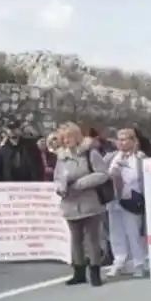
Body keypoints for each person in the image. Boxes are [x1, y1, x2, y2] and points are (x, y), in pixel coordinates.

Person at [54, 122, 110, 286]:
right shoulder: (61, 157)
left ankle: (95, 271)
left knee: (92, 239)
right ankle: (78, 271)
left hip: (89, 201)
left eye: (68, 137)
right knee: (75, 239)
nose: (65, 140)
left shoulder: (89, 153)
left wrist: (81, 183)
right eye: (62, 138)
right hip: (69, 202)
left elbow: (103, 174)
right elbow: (57, 177)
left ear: (77, 136)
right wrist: (59, 187)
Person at [105, 128, 148, 278]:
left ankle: (139, 263)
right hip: (114, 200)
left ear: (133, 140)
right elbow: (105, 174)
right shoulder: (112, 157)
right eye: (119, 139)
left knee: (133, 232)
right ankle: (119, 261)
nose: (121, 142)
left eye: (125, 139)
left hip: (132, 199)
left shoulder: (139, 157)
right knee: (116, 232)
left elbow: (141, 177)